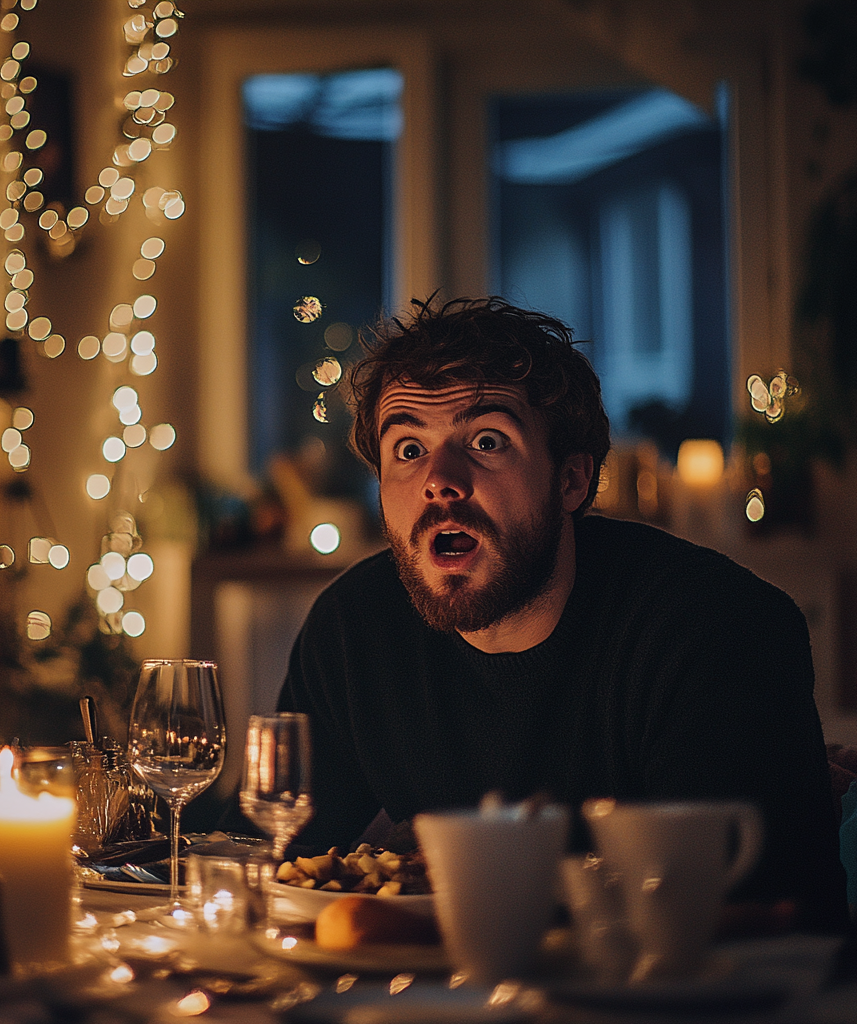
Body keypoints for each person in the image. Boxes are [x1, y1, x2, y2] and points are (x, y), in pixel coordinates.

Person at [277, 295, 848, 930]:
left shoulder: (715, 628)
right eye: (408, 449)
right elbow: (275, 862)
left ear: (572, 481)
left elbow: (761, 921)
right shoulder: (352, 631)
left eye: (486, 440)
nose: (440, 480)